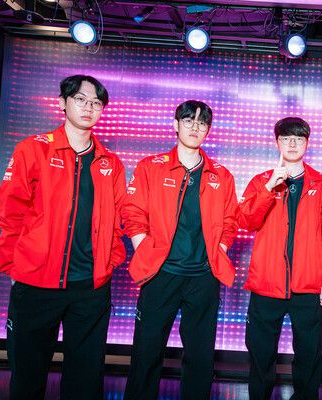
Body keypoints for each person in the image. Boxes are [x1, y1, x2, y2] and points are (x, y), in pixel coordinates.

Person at [0, 75, 126, 399]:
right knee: (27, 377)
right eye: (81, 99)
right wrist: (14, 266)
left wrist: (109, 262)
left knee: (85, 380)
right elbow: (11, 211)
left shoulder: (111, 163)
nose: (89, 107)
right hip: (36, 282)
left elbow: (118, 221)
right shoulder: (34, 149)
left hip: (90, 287)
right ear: (62, 103)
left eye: (96, 103)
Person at [122, 100, 239, 400]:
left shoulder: (221, 175)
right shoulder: (151, 166)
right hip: (162, 274)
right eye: (188, 120)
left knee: (200, 357)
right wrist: (145, 250)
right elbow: (133, 211)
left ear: (208, 130)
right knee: (147, 351)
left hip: (203, 277)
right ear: (176, 125)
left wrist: (219, 250)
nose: (195, 127)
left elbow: (230, 220)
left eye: (202, 123)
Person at [239, 117, 322, 400]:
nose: (292, 144)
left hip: (307, 286)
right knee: (261, 354)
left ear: (307, 143)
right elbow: (246, 220)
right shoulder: (261, 181)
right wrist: (269, 188)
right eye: (286, 138)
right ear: (277, 142)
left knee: (309, 356)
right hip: (266, 284)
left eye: (298, 139)